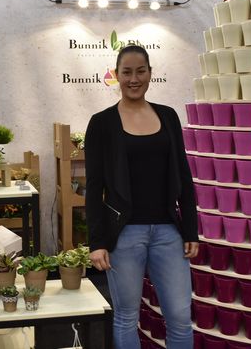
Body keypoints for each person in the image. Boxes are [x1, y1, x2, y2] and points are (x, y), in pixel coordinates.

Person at [84, 44, 199, 349]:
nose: (134, 79)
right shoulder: (101, 123)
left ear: (150, 73)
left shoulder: (168, 116)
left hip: (168, 232)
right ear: (116, 75)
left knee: (180, 316)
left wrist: (191, 229)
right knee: (125, 316)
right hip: (124, 234)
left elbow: (184, 175)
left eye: (140, 71)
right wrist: (97, 242)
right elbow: (94, 187)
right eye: (126, 72)